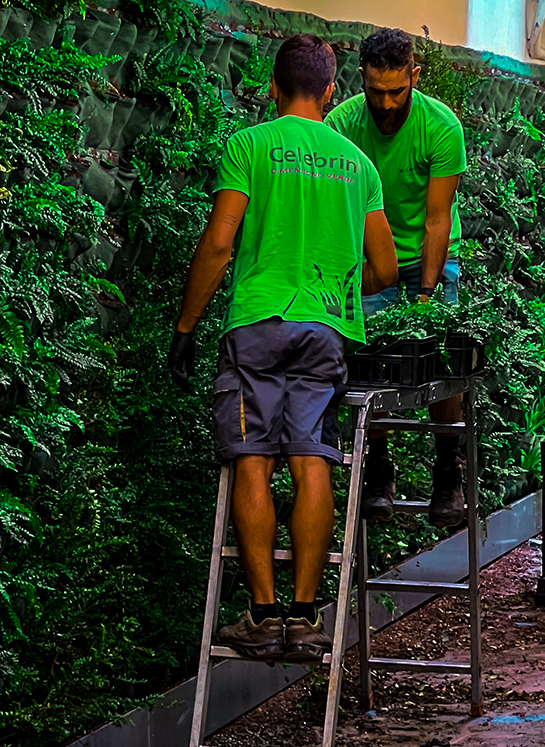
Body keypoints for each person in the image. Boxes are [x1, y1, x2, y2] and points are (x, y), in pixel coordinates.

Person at [166, 34, 398, 661]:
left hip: (256, 327)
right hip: (326, 332)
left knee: (252, 460)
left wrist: (186, 325)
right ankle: (306, 616)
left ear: (271, 88)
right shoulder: (359, 164)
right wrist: (341, 290)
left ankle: (263, 617)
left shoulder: (250, 146)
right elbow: (384, 266)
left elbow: (218, 244)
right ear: (330, 92)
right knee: (311, 458)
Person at [324, 27, 470, 529]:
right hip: (371, 260)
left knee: (443, 365)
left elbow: (437, 220)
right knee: (370, 367)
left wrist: (427, 295)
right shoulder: (341, 125)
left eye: (396, 91)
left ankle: (448, 471)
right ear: (359, 77)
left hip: (430, 256)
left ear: (415, 74)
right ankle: (378, 471)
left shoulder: (441, 128)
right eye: (374, 90)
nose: (385, 103)